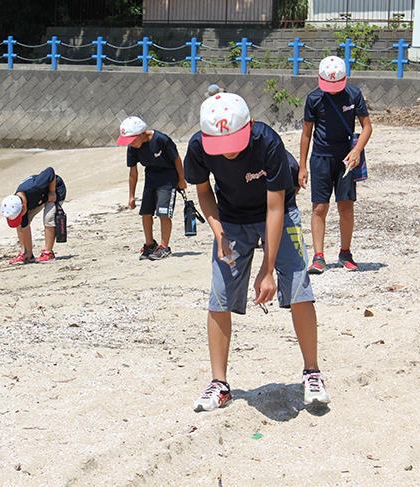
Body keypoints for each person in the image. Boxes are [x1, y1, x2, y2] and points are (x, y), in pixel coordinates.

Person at [184, 92, 329, 411]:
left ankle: (312, 373)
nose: (229, 151)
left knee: (298, 287)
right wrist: (220, 234)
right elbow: (204, 192)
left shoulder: (266, 141)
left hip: (277, 211)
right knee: (219, 296)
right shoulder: (199, 146)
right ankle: (219, 384)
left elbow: (276, 207)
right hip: (231, 219)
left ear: (248, 126)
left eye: (234, 141)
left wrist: (267, 268)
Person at [299, 55, 372, 274]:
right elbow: (306, 133)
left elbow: (367, 126)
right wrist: (302, 166)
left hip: (346, 159)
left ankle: (345, 253)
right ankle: (318, 256)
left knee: (346, 206)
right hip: (320, 158)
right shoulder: (314, 99)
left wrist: (357, 150)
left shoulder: (354, 95)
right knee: (319, 207)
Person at [116, 116, 186, 260]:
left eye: (133, 140)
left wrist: (181, 179)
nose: (131, 144)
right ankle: (150, 244)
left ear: (143, 133)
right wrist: (131, 196)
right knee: (146, 212)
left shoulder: (161, 139)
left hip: (168, 178)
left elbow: (176, 159)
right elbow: (133, 172)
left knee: (163, 212)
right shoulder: (133, 147)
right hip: (151, 179)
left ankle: (164, 247)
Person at [3, 166, 66, 264]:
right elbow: (25, 227)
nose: (20, 216)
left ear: (23, 207)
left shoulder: (35, 185)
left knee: (48, 218)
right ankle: (24, 252)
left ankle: (48, 252)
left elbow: (50, 171)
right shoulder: (16, 203)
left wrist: (52, 192)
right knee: (21, 224)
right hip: (37, 199)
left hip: (55, 189)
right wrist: (28, 252)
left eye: (20, 214)